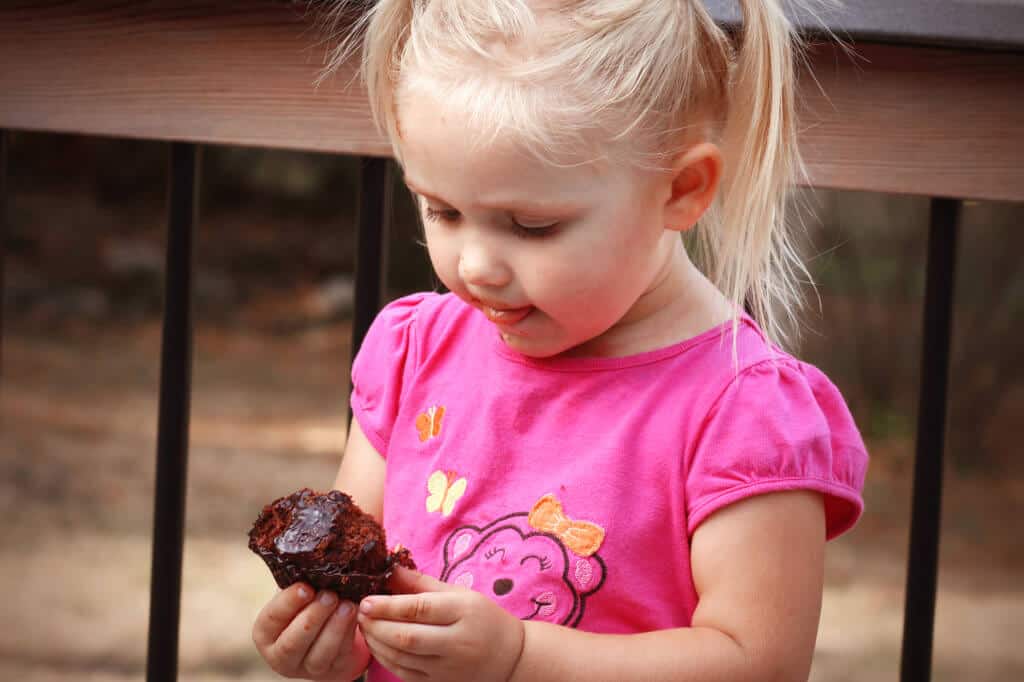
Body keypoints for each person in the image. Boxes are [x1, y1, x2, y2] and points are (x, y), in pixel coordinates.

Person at [253, 1, 868, 680]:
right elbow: (360, 579)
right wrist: (329, 645)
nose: (476, 265)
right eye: (443, 210)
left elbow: (759, 665)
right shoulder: (415, 352)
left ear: (681, 189)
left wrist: (521, 657)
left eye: (531, 225)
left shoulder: (743, 414)